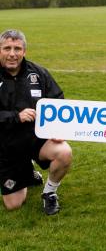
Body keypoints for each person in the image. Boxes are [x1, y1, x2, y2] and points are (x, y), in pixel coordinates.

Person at [0, 29, 72, 215]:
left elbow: (59, 102)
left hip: (35, 139)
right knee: (13, 204)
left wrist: (59, 128)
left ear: (24, 51)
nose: (12, 54)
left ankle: (49, 193)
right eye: (7, 48)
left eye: (17, 48)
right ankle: (28, 172)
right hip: (6, 146)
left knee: (64, 152)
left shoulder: (38, 74)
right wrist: (16, 117)